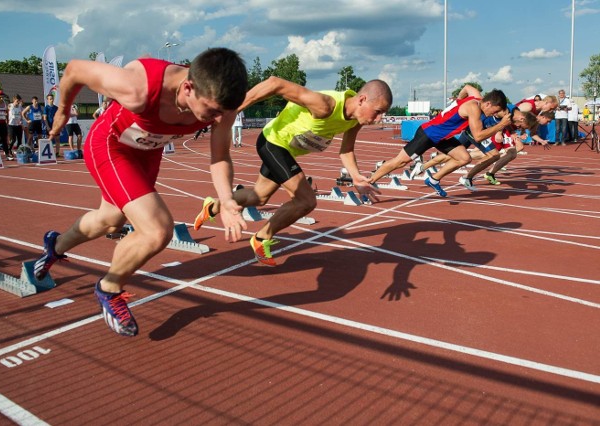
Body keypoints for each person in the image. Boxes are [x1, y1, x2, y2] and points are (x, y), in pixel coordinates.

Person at [32, 47, 248, 337]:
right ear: (187, 87)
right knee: (157, 230)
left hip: (147, 152)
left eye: (222, 112)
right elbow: (73, 70)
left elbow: (220, 156)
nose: (217, 118)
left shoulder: (222, 103)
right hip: (111, 146)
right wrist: (63, 109)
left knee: (110, 219)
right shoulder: (139, 87)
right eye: (210, 110)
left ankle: (55, 246)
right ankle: (108, 287)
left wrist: (227, 200)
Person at [193, 76, 391, 266]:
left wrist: (356, 176)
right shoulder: (325, 105)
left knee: (259, 197)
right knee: (306, 200)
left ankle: (213, 206)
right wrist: (235, 109)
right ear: (362, 99)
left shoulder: (355, 120)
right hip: (273, 143)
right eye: (378, 111)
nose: (379, 119)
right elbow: (275, 83)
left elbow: (346, 149)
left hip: (287, 151)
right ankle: (262, 238)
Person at [370, 84, 510, 197]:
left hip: (443, 137)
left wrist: (457, 101)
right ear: (488, 104)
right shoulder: (474, 109)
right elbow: (478, 136)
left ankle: (433, 179)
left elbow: (467, 86)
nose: (493, 114)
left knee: (464, 157)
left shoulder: (476, 96)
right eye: (494, 111)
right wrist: (501, 125)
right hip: (428, 134)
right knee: (399, 162)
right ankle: (368, 184)